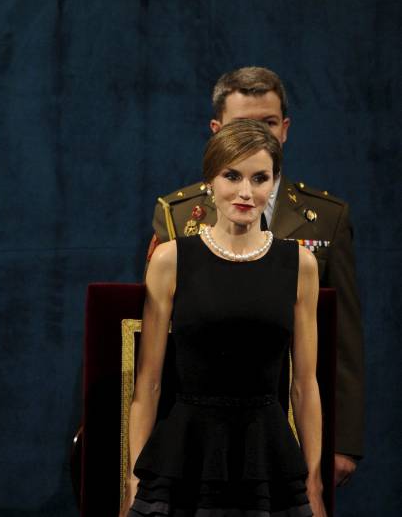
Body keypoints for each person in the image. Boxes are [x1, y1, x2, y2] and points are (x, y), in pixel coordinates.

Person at [148, 67, 363, 485]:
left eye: (266, 123)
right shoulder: (177, 215)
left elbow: (344, 338)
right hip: (198, 428)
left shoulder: (327, 219)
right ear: (216, 131)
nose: (254, 135)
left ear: (284, 128)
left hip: (289, 428)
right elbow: (158, 333)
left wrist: (343, 440)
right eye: (240, 125)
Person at [122, 120, 326, 517]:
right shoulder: (171, 259)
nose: (246, 192)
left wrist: (314, 480)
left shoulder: (299, 264)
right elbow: (148, 383)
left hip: (266, 456)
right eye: (232, 175)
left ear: (274, 184)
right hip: (186, 454)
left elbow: (304, 384)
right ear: (210, 181)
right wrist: (133, 477)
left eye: (260, 178)